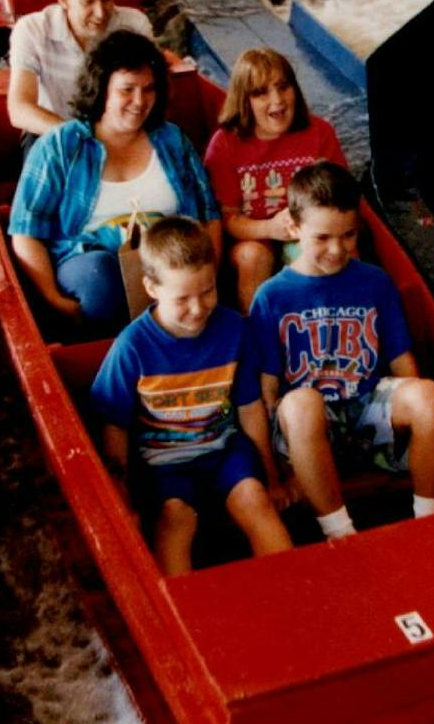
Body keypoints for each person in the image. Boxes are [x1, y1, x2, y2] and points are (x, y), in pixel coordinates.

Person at [249, 162, 434, 541]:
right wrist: (275, 468)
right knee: (299, 404)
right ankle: (341, 533)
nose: (337, 249)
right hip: (309, 426)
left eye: (348, 235)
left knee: (429, 396)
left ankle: (430, 521)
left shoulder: (374, 282)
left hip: (365, 410)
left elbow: (401, 360)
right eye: (322, 237)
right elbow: (268, 388)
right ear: (293, 228)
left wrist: (419, 416)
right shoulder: (272, 296)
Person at [90, 217, 292, 575]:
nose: (198, 309)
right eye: (182, 298)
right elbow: (114, 427)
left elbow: (249, 409)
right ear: (151, 287)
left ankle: (290, 590)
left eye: (208, 292)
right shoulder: (131, 347)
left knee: (255, 499)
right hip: (163, 463)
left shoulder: (233, 329)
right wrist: (122, 500)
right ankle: (180, 610)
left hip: (224, 449)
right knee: (176, 519)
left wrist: (272, 478)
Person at [8, 29, 219, 337]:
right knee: (99, 276)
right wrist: (54, 300)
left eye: (149, 89)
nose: (139, 101)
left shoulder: (172, 140)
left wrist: (207, 277)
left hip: (171, 266)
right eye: (127, 90)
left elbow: (208, 215)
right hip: (91, 266)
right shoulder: (61, 146)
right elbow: (25, 231)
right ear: (101, 88)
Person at [204, 47, 346, 309]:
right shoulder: (225, 144)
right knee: (252, 256)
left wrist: (309, 230)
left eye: (283, 87)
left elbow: (343, 201)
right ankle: (259, 335)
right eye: (261, 92)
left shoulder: (319, 133)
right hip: (254, 235)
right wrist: (270, 228)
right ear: (244, 100)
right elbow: (228, 218)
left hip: (311, 232)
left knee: (326, 250)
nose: (277, 100)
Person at [7, 0, 153, 139]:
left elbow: (152, 91)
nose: (100, 13)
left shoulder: (135, 25)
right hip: (53, 131)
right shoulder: (32, 30)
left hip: (121, 131)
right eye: (88, 2)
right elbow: (19, 109)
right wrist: (81, 136)